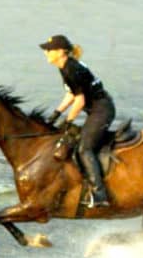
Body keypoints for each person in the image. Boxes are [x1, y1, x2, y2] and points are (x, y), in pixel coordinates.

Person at [40, 34, 114, 208]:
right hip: (95, 109)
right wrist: (56, 113)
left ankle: (100, 193)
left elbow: (80, 101)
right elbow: (71, 94)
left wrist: (68, 121)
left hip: (101, 109)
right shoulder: (64, 66)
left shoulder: (71, 69)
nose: (46, 53)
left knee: (84, 148)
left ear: (61, 51)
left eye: (49, 50)